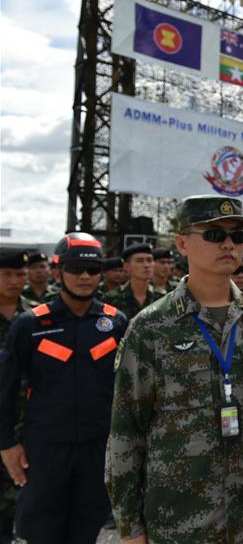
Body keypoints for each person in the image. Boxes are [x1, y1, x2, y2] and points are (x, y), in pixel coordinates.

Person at [105, 195, 243, 543]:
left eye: (237, 236)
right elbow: (125, 431)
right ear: (182, 243)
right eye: (215, 235)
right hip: (178, 517)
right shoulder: (151, 326)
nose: (229, 245)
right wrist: (129, 526)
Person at [0, 233, 128, 544]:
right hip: (45, 451)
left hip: (98, 449)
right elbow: (5, 389)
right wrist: (7, 444)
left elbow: (132, 390)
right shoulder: (30, 325)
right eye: (75, 268)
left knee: (86, 528)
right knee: (40, 531)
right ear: (58, 272)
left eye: (93, 269)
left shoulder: (116, 323)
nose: (85, 277)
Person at [0, 250, 34, 544]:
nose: (14, 281)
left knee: (14, 501)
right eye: (7, 274)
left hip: (22, 421)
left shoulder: (36, 315)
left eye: (19, 274)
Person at [103, 243, 163, 323]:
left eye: (149, 260)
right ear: (127, 266)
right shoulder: (111, 299)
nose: (146, 265)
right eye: (140, 261)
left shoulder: (162, 297)